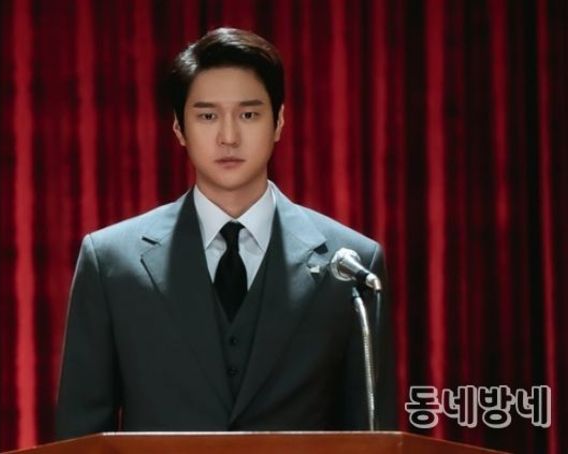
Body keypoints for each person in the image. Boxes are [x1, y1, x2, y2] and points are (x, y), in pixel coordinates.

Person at [55, 27, 396, 439]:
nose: (229, 137)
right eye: (207, 116)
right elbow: (81, 435)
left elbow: (371, 434)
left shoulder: (352, 264)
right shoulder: (111, 262)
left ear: (279, 121)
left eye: (248, 115)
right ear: (179, 128)